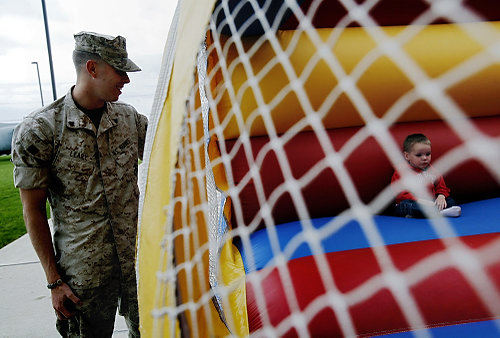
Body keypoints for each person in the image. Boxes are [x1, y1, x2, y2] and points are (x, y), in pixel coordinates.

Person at [11, 31, 147, 337]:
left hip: (138, 264)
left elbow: (172, 150)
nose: (126, 80)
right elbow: (32, 210)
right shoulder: (41, 130)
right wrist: (54, 282)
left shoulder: (130, 120)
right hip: (84, 275)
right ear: (92, 68)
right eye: (119, 71)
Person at [391, 133, 461, 218]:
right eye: (419, 155)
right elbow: (401, 194)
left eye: (428, 154)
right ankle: (437, 213)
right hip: (412, 202)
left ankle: (431, 212)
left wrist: (441, 196)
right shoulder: (402, 171)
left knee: (450, 201)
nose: (424, 158)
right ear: (407, 156)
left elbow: (441, 187)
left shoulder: (432, 170)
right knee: (406, 206)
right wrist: (420, 201)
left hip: (431, 202)